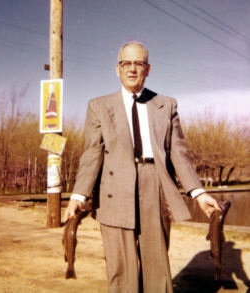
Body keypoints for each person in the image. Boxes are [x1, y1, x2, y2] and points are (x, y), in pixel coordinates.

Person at [64, 41, 221, 293]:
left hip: (154, 186)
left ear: (148, 69)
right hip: (113, 190)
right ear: (117, 69)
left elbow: (178, 153)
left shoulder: (166, 105)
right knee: (121, 271)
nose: (132, 69)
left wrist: (198, 192)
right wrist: (78, 195)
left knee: (157, 269)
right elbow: (92, 153)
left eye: (138, 63)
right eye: (126, 63)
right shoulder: (99, 106)